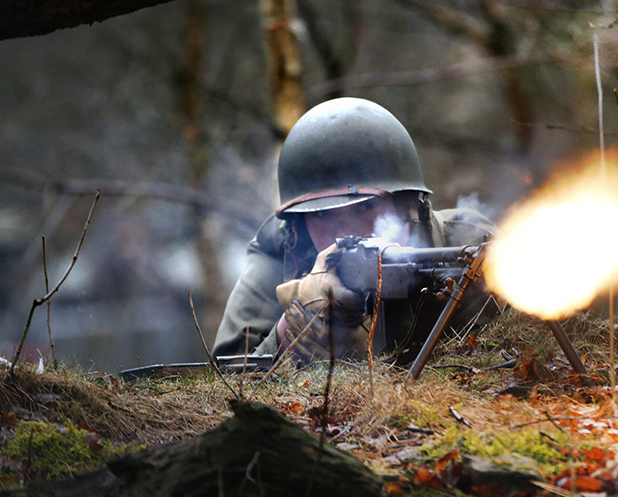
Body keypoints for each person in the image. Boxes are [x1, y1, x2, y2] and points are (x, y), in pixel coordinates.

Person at [212, 97, 495, 364]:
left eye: (365, 208)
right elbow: (223, 380)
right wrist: (292, 330)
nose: (343, 232)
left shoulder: (465, 247)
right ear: (298, 223)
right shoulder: (280, 250)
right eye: (322, 214)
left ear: (406, 206)